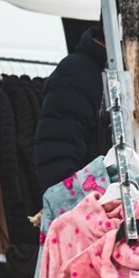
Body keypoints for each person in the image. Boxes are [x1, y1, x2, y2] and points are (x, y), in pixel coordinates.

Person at [33, 26, 109, 192]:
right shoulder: (75, 73)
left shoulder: (137, 75)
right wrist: (86, 209)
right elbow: (56, 158)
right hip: (96, 206)